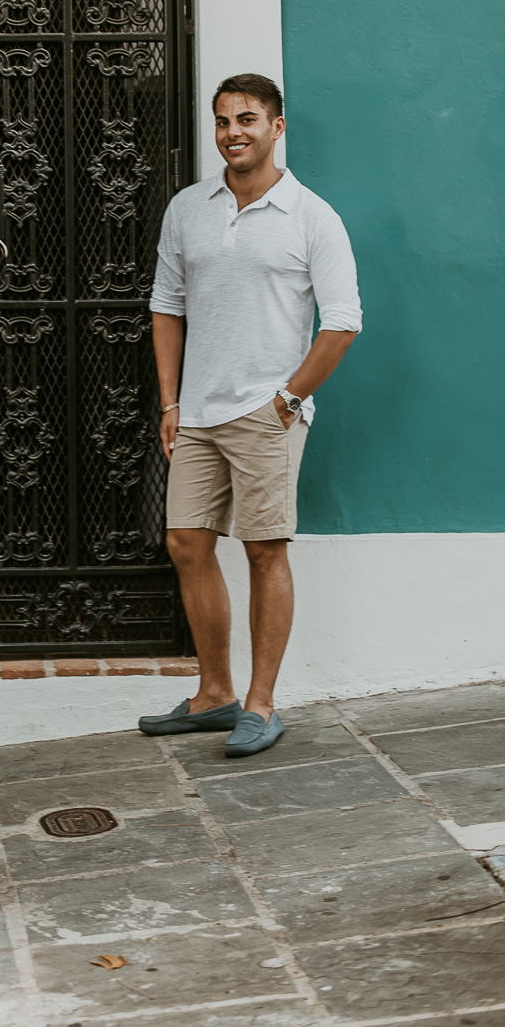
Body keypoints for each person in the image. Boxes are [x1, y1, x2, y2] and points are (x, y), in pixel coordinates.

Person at [137, 75, 361, 757]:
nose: (233, 132)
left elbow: (343, 322)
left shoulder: (312, 216)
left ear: (277, 126)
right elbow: (166, 306)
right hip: (198, 411)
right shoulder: (189, 208)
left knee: (264, 550)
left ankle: (261, 705)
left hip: (268, 412)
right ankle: (214, 694)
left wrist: (288, 400)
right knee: (186, 544)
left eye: (247, 119)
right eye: (223, 121)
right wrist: (171, 401)